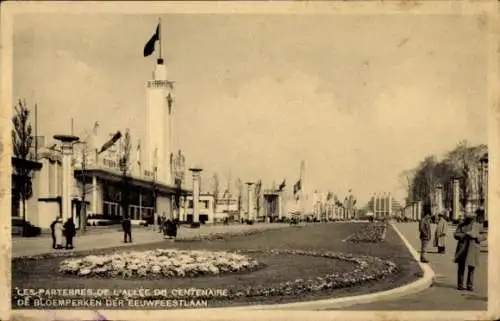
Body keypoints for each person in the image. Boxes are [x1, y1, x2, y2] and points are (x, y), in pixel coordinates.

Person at [454, 210, 486, 291]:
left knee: (471, 268)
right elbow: (455, 234)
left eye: (471, 219)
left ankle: (469, 285)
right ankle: (460, 285)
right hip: (462, 249)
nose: (469, 221)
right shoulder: (461, 225)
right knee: (461, 267)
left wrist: (476, 236)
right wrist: (464, 235)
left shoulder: (478, 225)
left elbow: (484, 236)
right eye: (468, 219)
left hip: (473, 248)